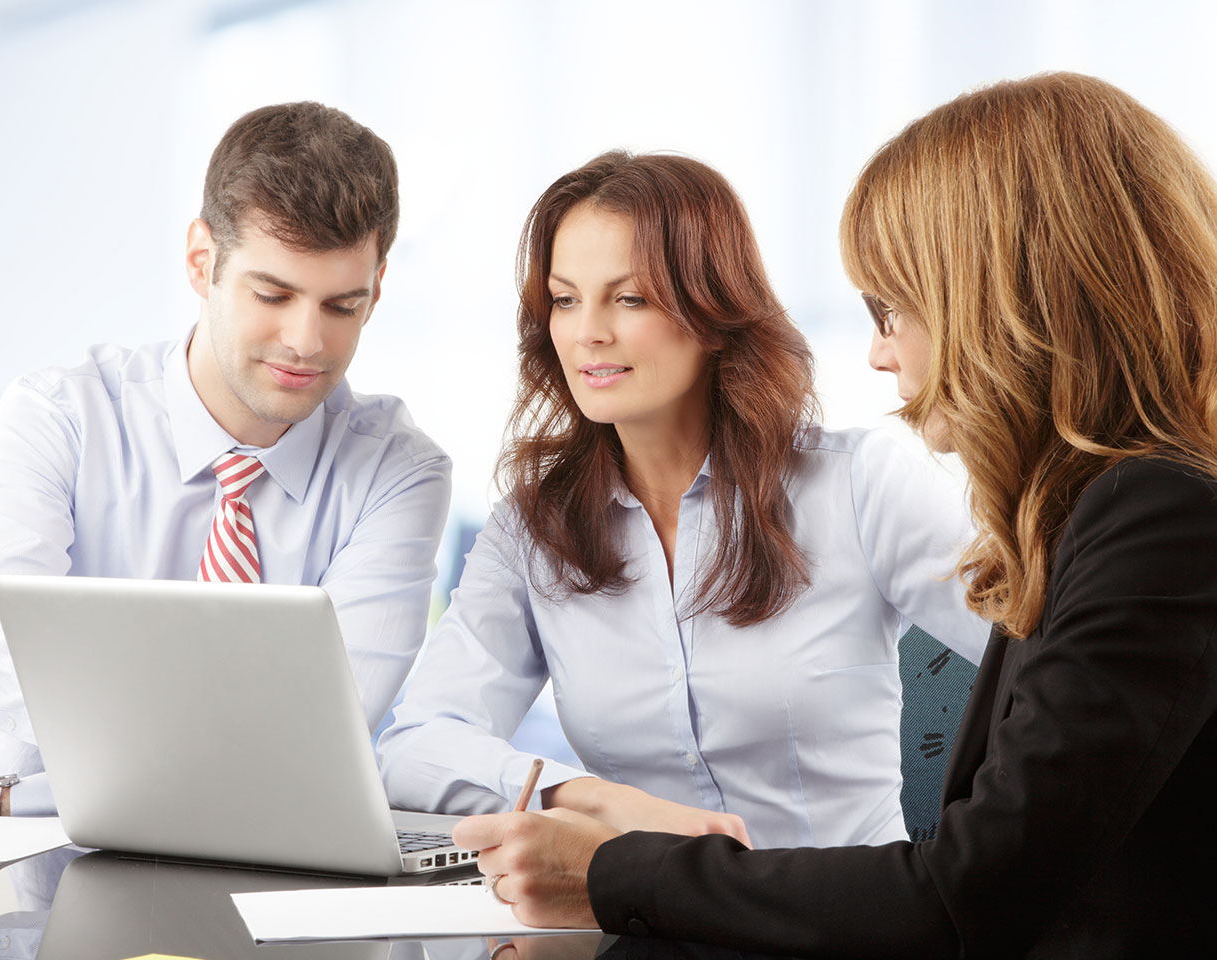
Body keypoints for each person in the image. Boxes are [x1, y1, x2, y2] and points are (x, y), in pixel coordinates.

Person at [451, 73, 1217, 956]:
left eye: (893, 309)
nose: (880, 351)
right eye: (563, 298)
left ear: (1011, 302)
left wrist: (611, 872)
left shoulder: (1155, 517)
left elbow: (965, 895)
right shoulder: (1101, 512)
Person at [376, 151, 990, 852]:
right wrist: (587, 796)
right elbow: (416, 742)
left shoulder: (859, 483)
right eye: (566, 299)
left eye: (629, 299)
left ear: (711, 311)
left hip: (844, 924)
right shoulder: (534, 528)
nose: (587, 333)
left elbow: (1046, 666)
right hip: (646, 926)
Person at [0, 102, 450, 817]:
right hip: (44, 854)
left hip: (271, 868)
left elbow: (327, 726)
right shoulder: (57, 418)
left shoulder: (400, 472)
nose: (306, 341)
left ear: (376, 290)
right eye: (272, 294)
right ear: (202, 261)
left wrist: (69, 752)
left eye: (342, 306)